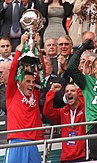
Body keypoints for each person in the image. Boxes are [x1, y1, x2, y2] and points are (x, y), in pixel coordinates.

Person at [4, 34, 45, 162]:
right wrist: (20, 47)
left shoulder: (35, 94)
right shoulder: (12, 93)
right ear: (19, 82)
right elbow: (13, 70)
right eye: (28, 81)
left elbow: (41, 71)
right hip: (16, 140)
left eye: (33, 82)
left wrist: (37, 48)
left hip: (32, 142)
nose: (31, 84)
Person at [43, 82, 86, 162]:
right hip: (66, 158)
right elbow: (47, 112)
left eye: (72, 90)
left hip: (82, 156)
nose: (69, 93)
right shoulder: (63, 112)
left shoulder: (85, 110)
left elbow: (84, 103)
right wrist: (52, 92)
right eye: (66, 91)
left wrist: (79, 89)